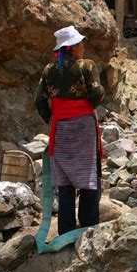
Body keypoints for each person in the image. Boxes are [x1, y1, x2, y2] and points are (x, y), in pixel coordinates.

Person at [35, 26, 105, 235]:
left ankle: (65, 232)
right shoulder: (87, 66)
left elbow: (40, 100)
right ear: (73, 47)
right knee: (89, 180)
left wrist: (54, 118)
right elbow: (97, 95)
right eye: (80, 43)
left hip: (61, 129)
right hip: (83, 128)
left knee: (65, 183)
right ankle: (88, 229)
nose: (83, 46)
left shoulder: (49, 70)